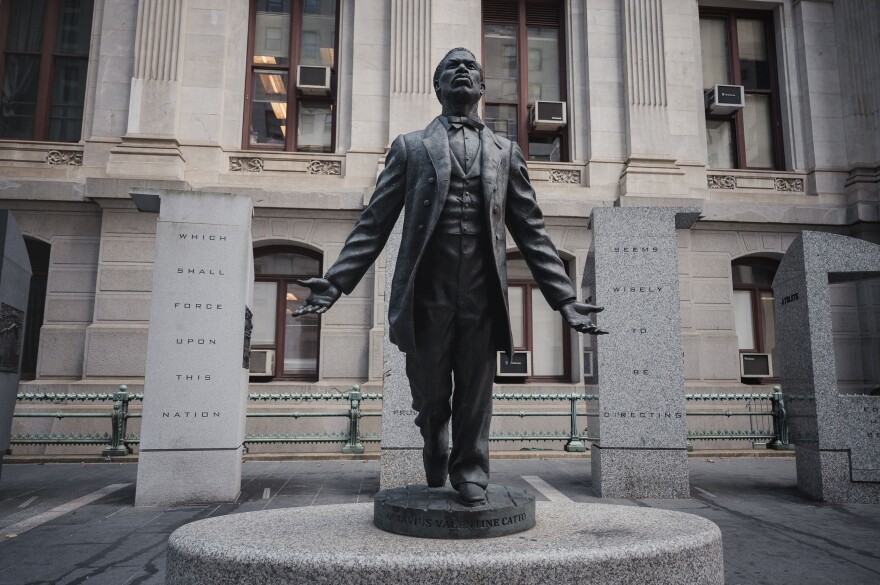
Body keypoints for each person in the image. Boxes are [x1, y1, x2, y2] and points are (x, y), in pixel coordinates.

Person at [293, 48, 606, 506]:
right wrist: (337, 281)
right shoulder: (411, 147)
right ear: (438, 87)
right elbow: (374, 223)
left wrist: (564, 299)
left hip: (481, 292)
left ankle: (471, 471)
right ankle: (433, 434)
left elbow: (532, 232)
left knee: (476, 389)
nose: (462, 70)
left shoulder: (505, 152)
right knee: (431, 392)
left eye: (471, 67)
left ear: (482, 88)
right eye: (450, 68)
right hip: (427, 294)